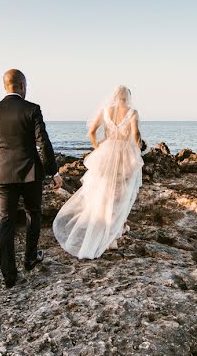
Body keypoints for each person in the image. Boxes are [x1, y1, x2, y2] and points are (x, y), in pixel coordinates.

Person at [0, 69, 62, 288]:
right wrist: (53, 172)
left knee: (5, 221)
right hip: (30, 173)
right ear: (23, 86)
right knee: (32, 214)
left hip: (3, 175)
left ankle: (9, 275)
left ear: (5, 86)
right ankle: (30, 258)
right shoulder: (32, 109)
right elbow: (43, 142)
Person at [53, 85, 143, 259]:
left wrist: (98, 148)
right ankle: (113, 237)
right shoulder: (132, 112)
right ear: (128, 97)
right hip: (124, 155)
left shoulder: (105, 111)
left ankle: (105, 232)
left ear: (114, 97)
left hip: (105, 153)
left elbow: (92, 131)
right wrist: (137, 148)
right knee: (120, 195)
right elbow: (136, 135)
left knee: (104, 194)